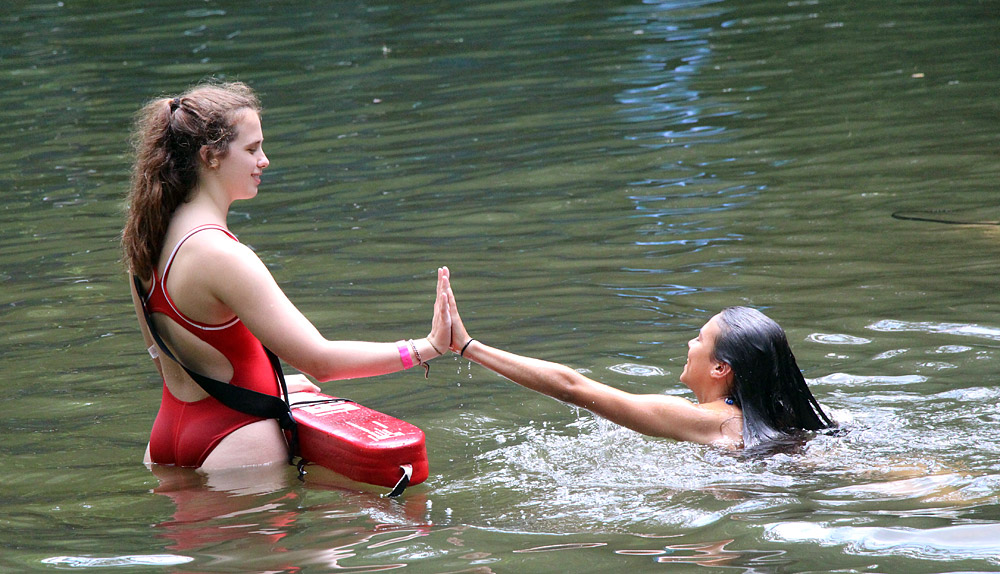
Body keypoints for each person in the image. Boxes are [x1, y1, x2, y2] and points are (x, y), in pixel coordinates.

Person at [121, 81, 451, 471]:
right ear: (210, 156)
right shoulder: (222, 254)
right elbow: (320, 361)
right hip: (235, 443)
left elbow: (166, 361)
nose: (264, 160)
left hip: (167, 439)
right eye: (251, 149)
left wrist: (272, 385)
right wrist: (426, 347)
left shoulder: (146, 240)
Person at [440, 269, 834, 449]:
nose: (689, 343)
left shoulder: (708, 420)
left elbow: (573, 388)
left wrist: (468, 345)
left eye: (699, 338)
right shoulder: (787, 419)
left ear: (720, 368)